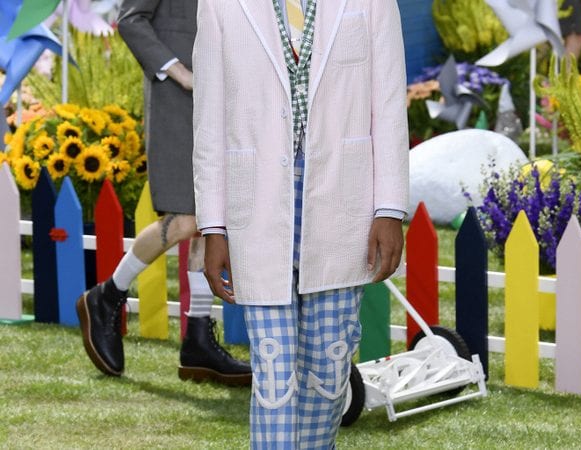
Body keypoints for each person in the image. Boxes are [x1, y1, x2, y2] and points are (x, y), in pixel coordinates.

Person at [192, 0, 409, 447]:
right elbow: (209, 122)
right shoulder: (219, 4)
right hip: (255, 208)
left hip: (342, 203)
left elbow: (388, 106)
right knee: (273, 374)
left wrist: (389, 208)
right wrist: (213, 226)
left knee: (328, 370)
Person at [76, 0, 251, 386]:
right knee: (185, 219)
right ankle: (107, 295)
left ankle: (198, 337)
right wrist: (179, 73)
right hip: (177, 96)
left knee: (209, 216)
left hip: (224, 94)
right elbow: (130, 20)